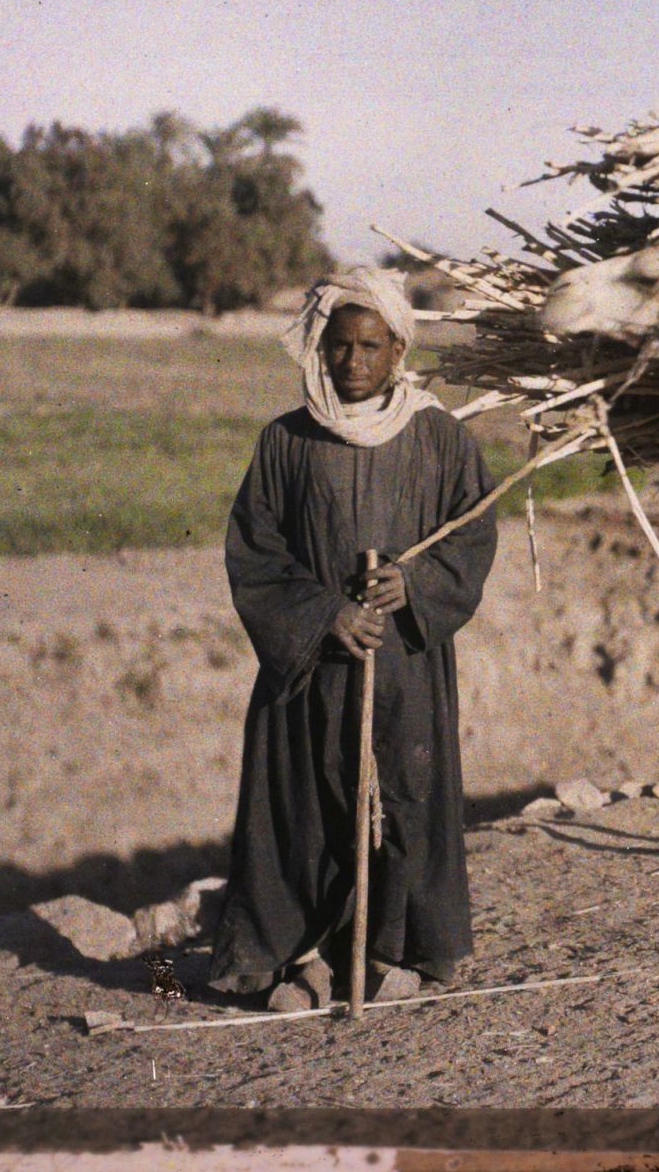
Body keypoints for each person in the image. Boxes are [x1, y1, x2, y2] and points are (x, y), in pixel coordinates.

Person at [207, 267, 498, 1011]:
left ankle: (390, 950)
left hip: (402, 662)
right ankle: (300, 958)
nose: (355, 362)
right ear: (318, 346)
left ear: (399, 348)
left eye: (372, 345)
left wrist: (416, 586)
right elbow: (255, 549)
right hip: (308, 669)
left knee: (399, 797)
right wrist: (321, 614)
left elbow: (470, 534)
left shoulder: (438, 437)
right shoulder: (286, 440)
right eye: (340, 345)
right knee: (303, 810)